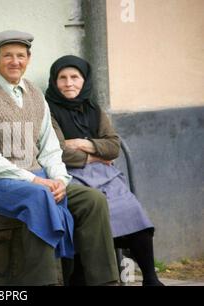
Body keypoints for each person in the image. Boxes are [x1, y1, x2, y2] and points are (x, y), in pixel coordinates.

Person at [0, 30, 119, 286]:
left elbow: (50, 147)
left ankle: (105, 282)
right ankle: (46, 282)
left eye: (20, 56)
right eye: (8, 56)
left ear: (28, 59)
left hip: (39, 179)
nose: (15, 61)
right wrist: (35, 180)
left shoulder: (35, 94)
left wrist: (58, 179)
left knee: (93, 200)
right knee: (39, 197)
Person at [45, 55, 164, 286]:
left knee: (132, 209)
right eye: (62, 78)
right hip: (69, 174)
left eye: (75, 77)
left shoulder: (94, 108)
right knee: (94, 211)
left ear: (85, 80)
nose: (69, 83)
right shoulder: (48, 111)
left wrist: (81, 142)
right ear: (54, 81)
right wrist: (96, 155)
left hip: (105, 174)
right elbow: (58, 151)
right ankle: (84, 277)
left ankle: (151, 277)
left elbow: (114, 146)